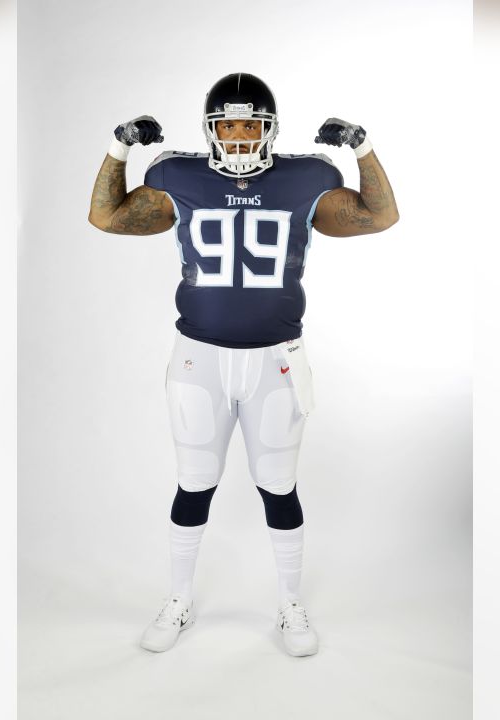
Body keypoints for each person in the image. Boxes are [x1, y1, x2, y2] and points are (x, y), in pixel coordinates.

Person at [87, 72, 399, 657]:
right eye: (227, 124)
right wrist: (119, 146)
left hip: (275, 362)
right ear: (210, 130)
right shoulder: (177, 178)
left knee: (278, 487)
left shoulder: (306, 180)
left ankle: (288, 604)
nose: (237, 136)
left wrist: (361, 147)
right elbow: (106, 217)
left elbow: (379, 216)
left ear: (269, 130)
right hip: (198, 360)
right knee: (194, 483)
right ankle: (178, 598)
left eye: (249, 125)